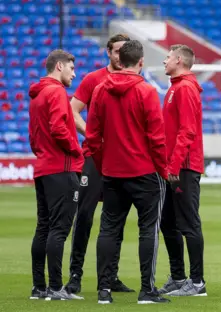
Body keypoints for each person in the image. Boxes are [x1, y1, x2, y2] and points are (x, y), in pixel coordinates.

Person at [86, 40, 169, 304]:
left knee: (109, 229)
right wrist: (163, 169)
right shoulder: (146, 91)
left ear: (118, 60)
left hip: (112, 172)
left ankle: (103, 291)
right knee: (148, 230)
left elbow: (92, 136)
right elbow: (157, 137)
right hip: (144, 171)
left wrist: (102, 164)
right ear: (140, 62)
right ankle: (147, 290)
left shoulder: (100, 90)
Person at [66, 33, 134, 295]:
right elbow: (72, 110)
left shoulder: (134, 81)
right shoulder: (94, 79)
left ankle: (110, 276)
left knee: (115, 220)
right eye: (117, 51)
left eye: (125, 51)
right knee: (84, 215)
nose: (120, 55)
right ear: (108, 52)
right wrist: (93, 135)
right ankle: (75, 276)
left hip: (121, 160)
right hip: (94, 158)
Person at [28, 50, 83, 301]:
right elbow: (60, 129)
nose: (74, 73)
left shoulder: (37, 96)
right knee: (59, 230)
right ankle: (56, 287)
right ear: (59, 66)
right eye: (71, 68)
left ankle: (39, 287)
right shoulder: (57, 92)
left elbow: (33, 136)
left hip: (42, 167)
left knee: (43, 228)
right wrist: (75, 149)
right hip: (61, 168)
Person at [156, 45, 208, 297]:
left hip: (183, 168)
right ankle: (178, 276)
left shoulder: (184, 89)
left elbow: (186, 131)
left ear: (178, 60)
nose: (164, 61)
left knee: (189, 223)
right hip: (175, 167)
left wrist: (174, 165)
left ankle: (197, 283)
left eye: (167, 57)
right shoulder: (177, 87)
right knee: (168, 222)